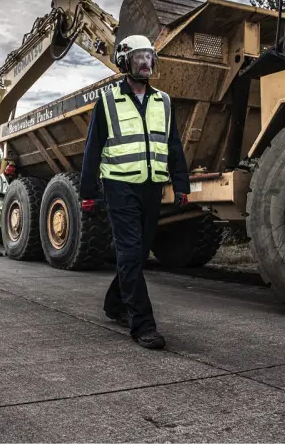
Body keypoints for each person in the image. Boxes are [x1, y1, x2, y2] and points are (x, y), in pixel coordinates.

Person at [79, 34, 190, 350]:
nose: (145, 63)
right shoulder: (108, 101)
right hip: (119, 186)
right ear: (124, 62)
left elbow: (173, 144)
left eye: (149, 57)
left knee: (139, 255)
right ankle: (143, 325)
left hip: (152, 186)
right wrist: (89, 192)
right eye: (138, 57)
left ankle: (114, 303)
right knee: (129, 252)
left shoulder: (163, 101)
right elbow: (93, 148)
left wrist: (181, 183)